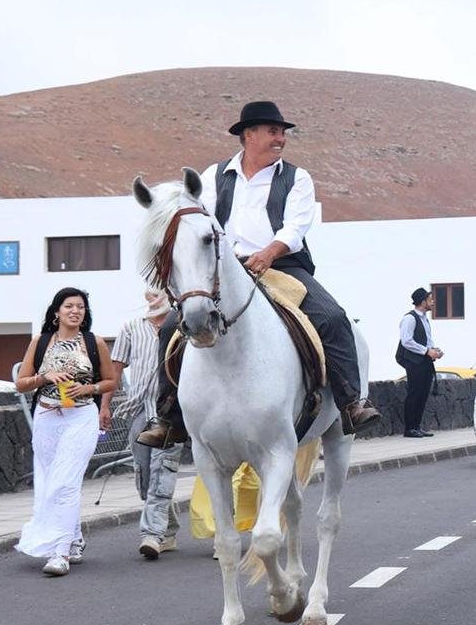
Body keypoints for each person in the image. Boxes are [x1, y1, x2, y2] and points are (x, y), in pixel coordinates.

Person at [138, 100, 378, 447]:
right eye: (273, 131)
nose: (280, 138)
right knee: (172, 329)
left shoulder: (297, 178)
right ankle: (167, 416)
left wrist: (268, 254)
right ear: (249, 135)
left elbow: (295, 228)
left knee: (333, 317)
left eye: (282, 133)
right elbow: (197, 221)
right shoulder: (213, 177)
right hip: (225, 269)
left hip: (283, 265)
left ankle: (351, 402)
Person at [15, 288, 118, 576]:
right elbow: (21, 383)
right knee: (50, 482)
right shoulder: (41, 342)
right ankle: (73, 538)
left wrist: (89, 388)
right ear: (57, 311)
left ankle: (58, 553)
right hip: (47, 417)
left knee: (66, 482)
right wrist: (44, 377)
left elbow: (111, 381)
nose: (75, 311)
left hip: (81, 417)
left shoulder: (94, 343)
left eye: (81, 307)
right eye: (69, 306)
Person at [113, 289, 184, 560]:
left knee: (162, 469)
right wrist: (105, 405)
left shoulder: (182, 325)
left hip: (169, 410)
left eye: (159, 291)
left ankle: (152, 534)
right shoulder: (131, 328)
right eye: (149, 292)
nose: (153, 297)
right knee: (144, 474)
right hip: (139, 410)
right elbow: (116, 368)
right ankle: (168, 528)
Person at [395, 287, 442, 438]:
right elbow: (406, 341)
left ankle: (417, 426)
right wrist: (426, 351)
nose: (433, 302)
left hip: (425, 360)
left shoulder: (424, 319)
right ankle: (409, 428)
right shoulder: (409, 318)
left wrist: (434, 350)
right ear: (423, 302)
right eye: (430, 299)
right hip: (414, 361)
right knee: (414, 394)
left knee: (423, 394)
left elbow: (427, 339)